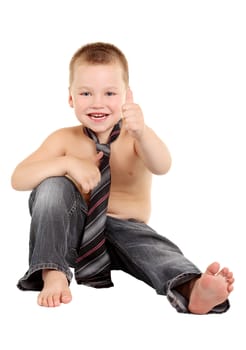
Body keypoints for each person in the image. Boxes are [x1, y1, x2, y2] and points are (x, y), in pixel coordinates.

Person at [11, 42, 234, 313]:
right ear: (70, 98)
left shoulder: (135, 137)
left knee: (154, 249)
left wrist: (143, 132)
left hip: (127, 234)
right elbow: (18, 178)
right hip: (71, 237)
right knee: (51, 186)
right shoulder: (63, 140)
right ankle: (52, 270)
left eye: (109, 93)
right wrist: (66, 164)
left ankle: (191, 287)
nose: (97, 103)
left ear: (127, 97)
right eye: (85, 93)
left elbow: (162, 165)